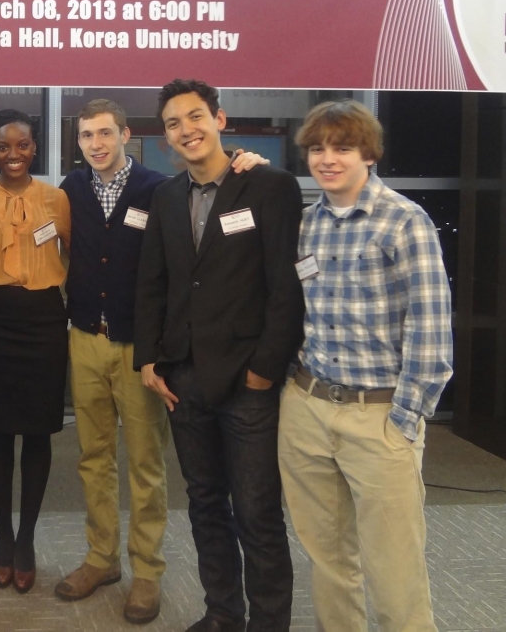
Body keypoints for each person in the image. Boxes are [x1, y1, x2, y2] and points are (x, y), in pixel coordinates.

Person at [55, 100, 269, 620]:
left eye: (105, 133)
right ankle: (101, 557)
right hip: (85, 338)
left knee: (146, 461)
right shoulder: (71, 188)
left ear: (125, 134)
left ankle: (147, 571)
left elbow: (169, 272)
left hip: (139, 347)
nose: (96, 144)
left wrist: (250, 160)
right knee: (92, 456)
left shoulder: (159, 189)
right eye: (86, 136)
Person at [134, 79, 304, 632]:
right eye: (173, 123)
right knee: (205, 505)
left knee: (257, 514)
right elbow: (154, 282)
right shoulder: (165, 196)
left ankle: (269, 624)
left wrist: (264, 372)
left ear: (220, 119)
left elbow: (285, 288)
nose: (186, 130)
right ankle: (223, 614)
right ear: (165, 136)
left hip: (246, 382)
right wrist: (149, 358)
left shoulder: (269, 186)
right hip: (184, 379)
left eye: (195, 117)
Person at [278, 100, 452, 632]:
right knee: (328, 560)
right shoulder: (305, 224)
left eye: (343, 148)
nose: (327, 159)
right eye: (317, 149)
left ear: (369, 154)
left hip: (378, 416)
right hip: (307, 409)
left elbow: (430, 327)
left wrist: (405, 420)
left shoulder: (404, 221)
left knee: (394, 569)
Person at [0, 109, 71, 596]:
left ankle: (26, 538)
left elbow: (77, 251)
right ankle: (2, 535)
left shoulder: (56, 198)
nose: (14, 154)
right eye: (3, 146)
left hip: (45, 319)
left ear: (35, 147)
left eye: (23, 145)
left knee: (37, 431)